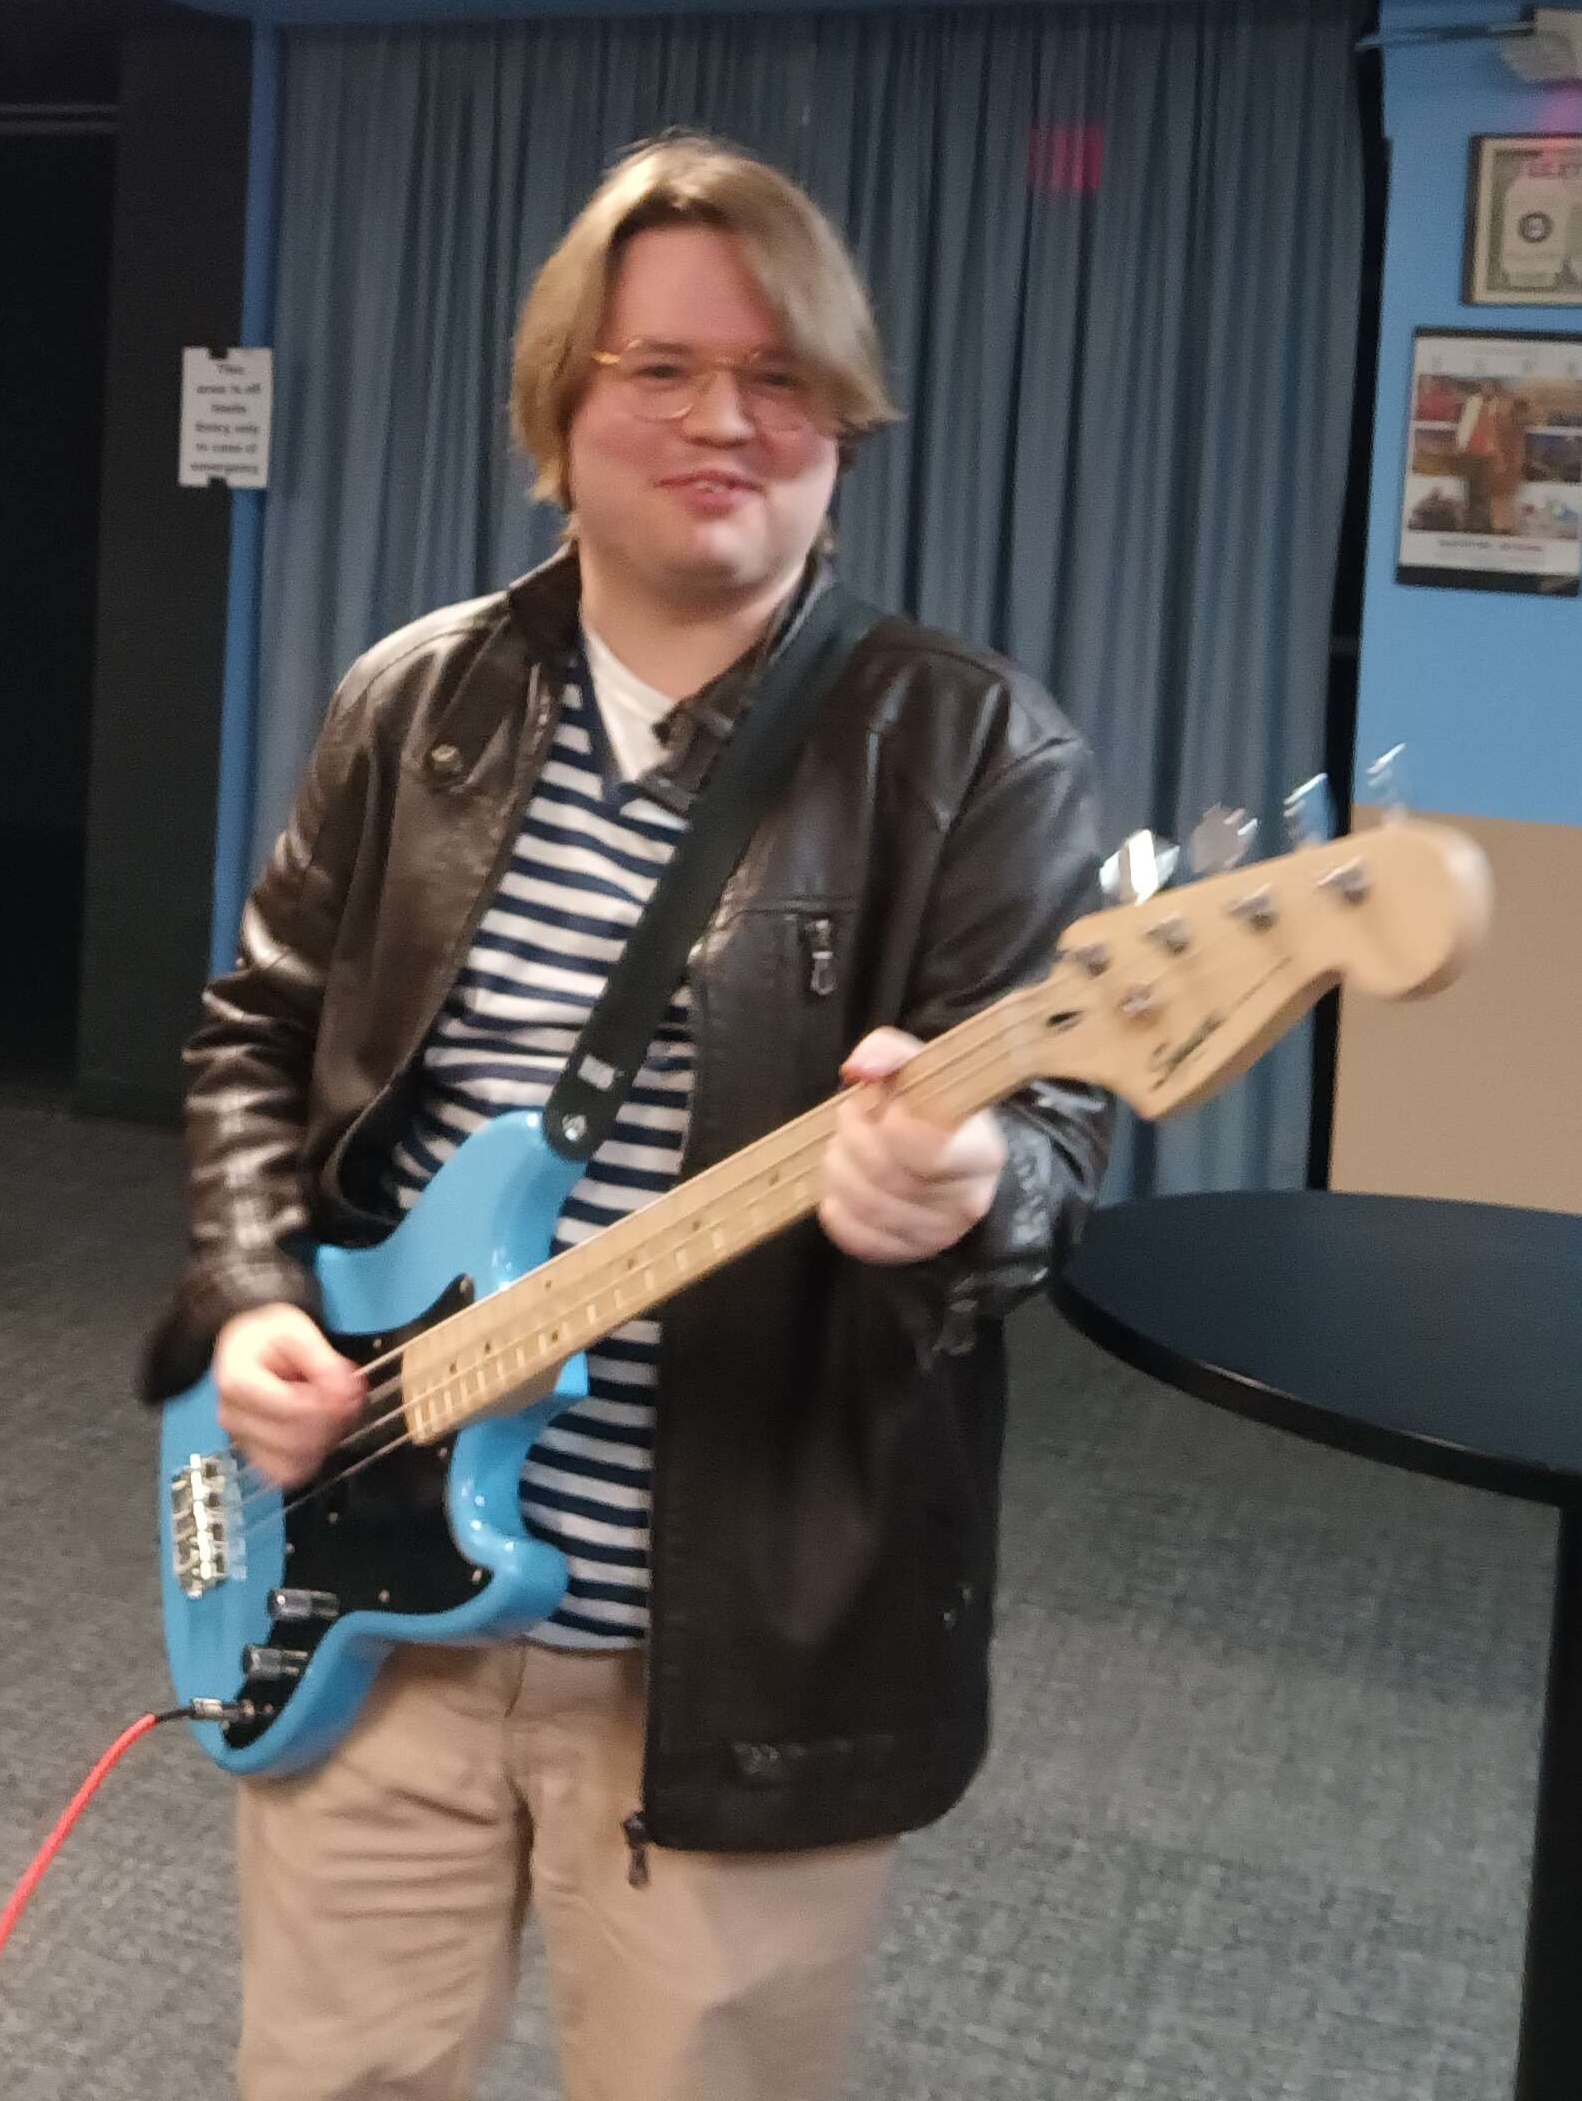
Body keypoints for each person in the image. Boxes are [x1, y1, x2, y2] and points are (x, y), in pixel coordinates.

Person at [142, 134, 1113, 2101]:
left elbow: (1060, 1140)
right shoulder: (418, 703)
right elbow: (260, 1030)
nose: (721, 421)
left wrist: (966, 1187)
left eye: (776, 377)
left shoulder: (967, 748)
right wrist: (253, 1301)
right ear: (557, 405)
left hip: (730, 1660)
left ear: (840, 415)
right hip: (356, 1596)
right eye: (659, 369)